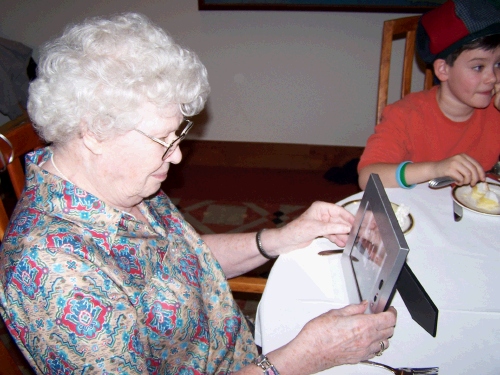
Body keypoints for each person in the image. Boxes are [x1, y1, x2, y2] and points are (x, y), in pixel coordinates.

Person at [0, 13, 396, 375]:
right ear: (92, 132)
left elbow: (184, 260)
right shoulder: (50, 273)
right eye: (162, 139)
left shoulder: (117, 179)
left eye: (178, 134)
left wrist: (279, 238)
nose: (176, 155)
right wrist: (304, 357)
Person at [358, 0, 500, 190]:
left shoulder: (496, 108)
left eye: (498, 64)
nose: (492, 77)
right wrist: (435, 169)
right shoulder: (406, 115)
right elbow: (368, 177)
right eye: (478, 67)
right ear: (443, 69)